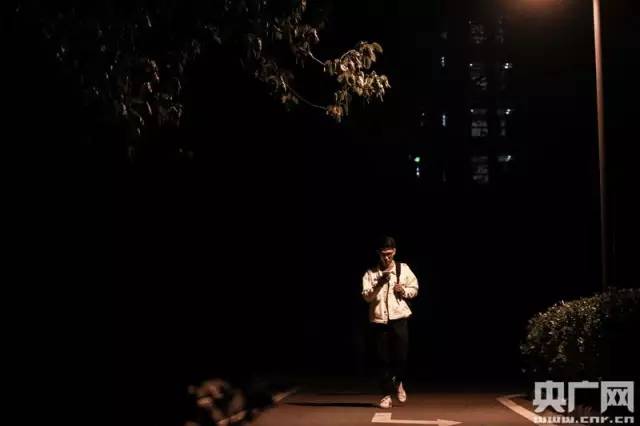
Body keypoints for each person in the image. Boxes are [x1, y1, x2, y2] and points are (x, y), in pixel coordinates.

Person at [362, 236, 419, 409]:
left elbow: (415, 288)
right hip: (379, 321)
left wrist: (404, 290)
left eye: (389, 254)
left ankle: (399, 381)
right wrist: (379, 284)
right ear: (378, 253)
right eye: (383, 254)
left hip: (399, 318)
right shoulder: (371, 273)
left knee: (401, 356)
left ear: (394, 251)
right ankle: (386, 395)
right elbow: (366, 297)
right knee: (382, 359)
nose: (386, 258)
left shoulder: (403, 269)